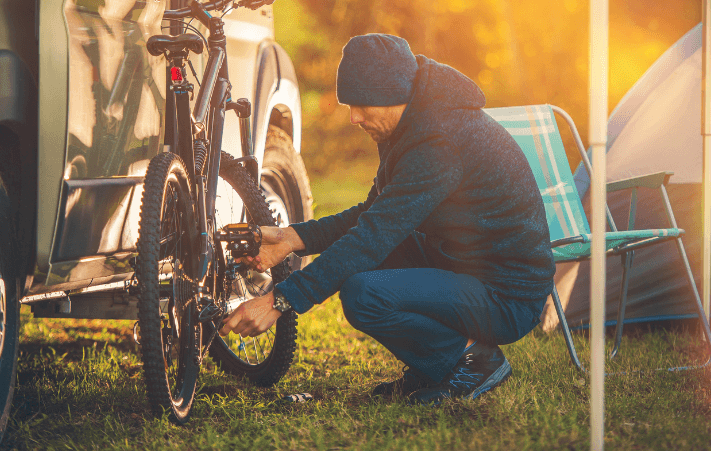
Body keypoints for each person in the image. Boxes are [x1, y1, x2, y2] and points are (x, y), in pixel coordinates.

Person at [220, 33, 554, 404]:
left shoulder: (439, 141)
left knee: (364, 294)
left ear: (393, 94)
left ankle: (473, 361)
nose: (354, 118)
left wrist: (279, 300)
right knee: (373, 261)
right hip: (466, 265)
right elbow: (374, 214)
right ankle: (436, 364)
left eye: (362, 105)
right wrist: (291, 237)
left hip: (506, 294)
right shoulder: (410, 121)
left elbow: (373, 235)